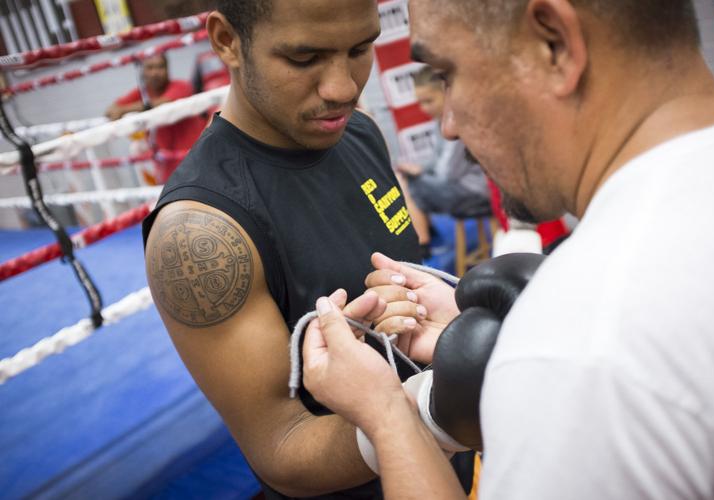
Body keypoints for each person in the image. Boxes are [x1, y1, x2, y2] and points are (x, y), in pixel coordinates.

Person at [301, 0, 714, 498]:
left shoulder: (585, 344)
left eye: (448, 73)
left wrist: (388, 414)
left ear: (553, 45)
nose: (448, 124)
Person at [142, 1, 474, 498]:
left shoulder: (358, 130)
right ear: (227, 41)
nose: (341, 86)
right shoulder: (198, 235)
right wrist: (437, 410)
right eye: (303, 58)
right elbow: (283, 447)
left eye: (360, 48)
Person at [396, 66, 492, 256]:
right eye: (420, 103)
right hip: (464, 189)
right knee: (404, 177)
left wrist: (419, 173)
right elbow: (437, 161)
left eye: (429, 101)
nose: (424, 109)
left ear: (446, 93)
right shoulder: (441, 122)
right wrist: (419, 168)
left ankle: (423, 244)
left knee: (405, 183)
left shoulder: (458, 124)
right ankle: (425, 237)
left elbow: (446, 175)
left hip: (480, 195)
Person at [106, 53, 207, 182]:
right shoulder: (142, 93)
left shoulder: (181, 86)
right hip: (168, 171)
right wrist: (123, 110)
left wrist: (125, 110)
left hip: (197, 163)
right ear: (142, 71)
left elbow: (162, 103)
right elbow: (110, 110)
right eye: (150, 68)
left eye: (160, 67)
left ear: (167, 69)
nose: (155, 73)